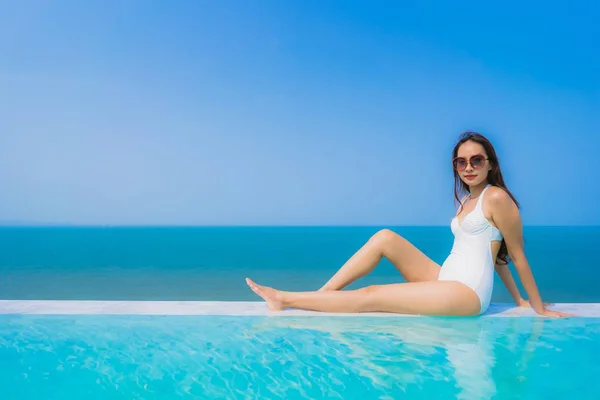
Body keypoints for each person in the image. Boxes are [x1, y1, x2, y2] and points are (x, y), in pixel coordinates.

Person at [246, 131, 573, 318]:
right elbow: (495, 253)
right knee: (385, 237)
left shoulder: (497, 198)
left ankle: (284, 298)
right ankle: (321, 297)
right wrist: (517, 300)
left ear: (491, 163)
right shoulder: (467, 202)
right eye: (461, 161)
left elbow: (515, 255)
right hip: (446, 277)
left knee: (373, 295)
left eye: (476, 160)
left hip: (467, 293)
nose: (468, 167)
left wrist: (538, 308)